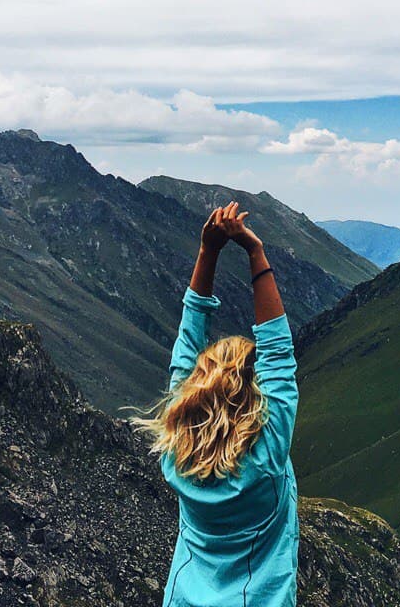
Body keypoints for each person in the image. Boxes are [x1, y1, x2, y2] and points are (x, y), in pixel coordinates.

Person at [129, 201, 300, 607]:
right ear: (251, 393)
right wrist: (254, 251)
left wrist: (208, 251)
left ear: (194, 391)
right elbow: (277, 351)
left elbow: (189, 343)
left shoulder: (175, 448)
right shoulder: (267, 454)